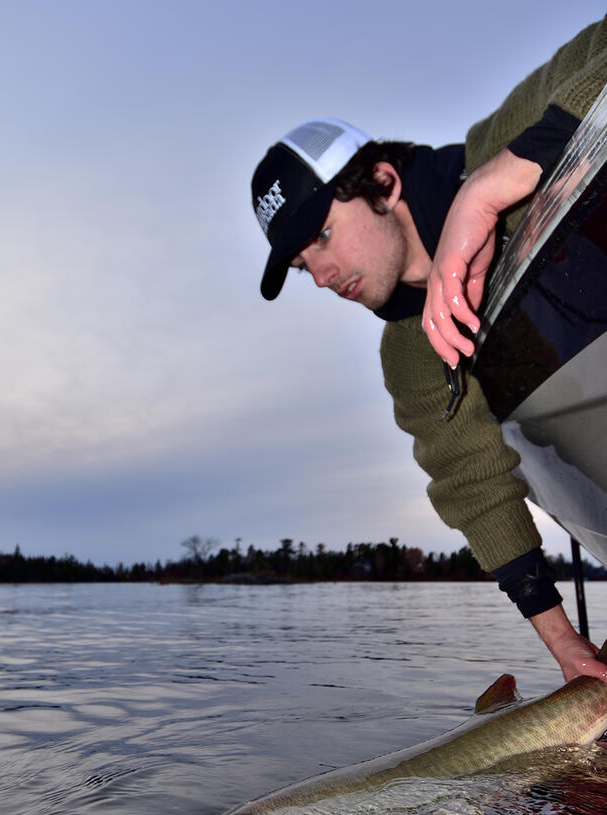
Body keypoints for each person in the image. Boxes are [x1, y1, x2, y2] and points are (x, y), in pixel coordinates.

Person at [250, 17, 607, 684]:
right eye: (303, 266)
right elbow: (470, 483)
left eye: (323, 235)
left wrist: (494, 186)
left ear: (383, 184)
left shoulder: (495, 145)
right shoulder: (410, 356)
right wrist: (566, 648)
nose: (322, 276)